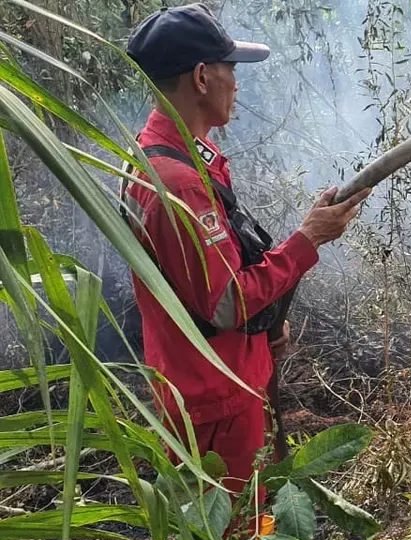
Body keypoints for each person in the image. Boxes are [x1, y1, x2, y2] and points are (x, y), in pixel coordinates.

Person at [123, 4, 370, 508]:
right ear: (200, 76)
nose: (237, 83)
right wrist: (307, 240)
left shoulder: (175, 153)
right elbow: (224, 304)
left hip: (208, 380)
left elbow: (210, 276)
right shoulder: (177, 184)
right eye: (230, 69)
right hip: (214, 399)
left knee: (242, 532)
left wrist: (264, 329)